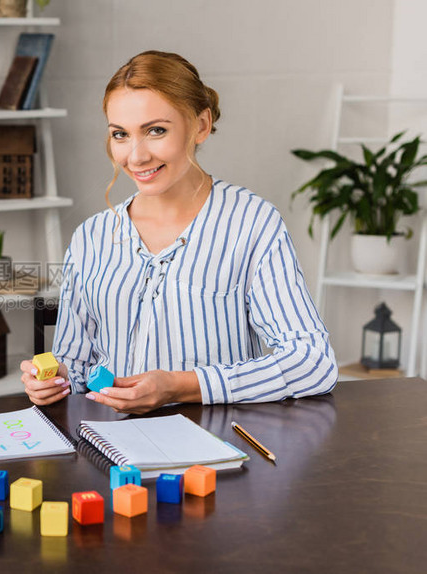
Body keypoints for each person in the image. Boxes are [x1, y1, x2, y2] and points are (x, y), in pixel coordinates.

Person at [20, 51, 338, 414]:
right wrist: (53, 378)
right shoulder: (91, 237)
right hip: (112, 448)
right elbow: (75, 365)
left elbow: (312, 362)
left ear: (200, 125)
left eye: (156, 130)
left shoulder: (252, 223)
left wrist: (182, 387)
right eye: (120, 135)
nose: (136, 157)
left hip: (219, 448)